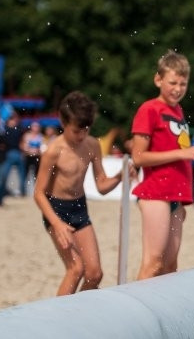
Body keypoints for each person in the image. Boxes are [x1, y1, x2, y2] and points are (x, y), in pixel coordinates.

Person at [34, 91, 129, 296]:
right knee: (76, 268)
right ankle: (59, 318)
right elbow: (39, 194)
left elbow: (102, 185)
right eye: (77, 130)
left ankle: (77, 313)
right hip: (56, 210)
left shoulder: (92, 145)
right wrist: (57, 224)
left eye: (86, 129)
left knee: (95, 274)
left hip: (79, 207)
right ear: (62, 121)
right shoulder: (54, 151)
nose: (82, 135)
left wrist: (121, 176)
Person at [129, 50, 194, 279]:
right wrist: (183, 154)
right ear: (158, 80)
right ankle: (137, 313)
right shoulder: (149, 109)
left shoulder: (177, 110)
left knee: (170, 267)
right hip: (155, 194)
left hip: (175, 195)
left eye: (183, 83)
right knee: (153, 263)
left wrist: (181, 202)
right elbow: (139, 157)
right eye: (172, 82)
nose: (178, 88)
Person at [21, 121, 45, 194]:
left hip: (36, 157)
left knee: (37, 175)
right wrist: (27, 150)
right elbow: (23, 146)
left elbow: (42, 148)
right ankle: (23, 191)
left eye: (37, 127)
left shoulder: (40, 136)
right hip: (28, 156)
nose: (35, 128)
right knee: (25, 174)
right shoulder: (27, 135)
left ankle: (37, 191)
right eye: (34, 127)